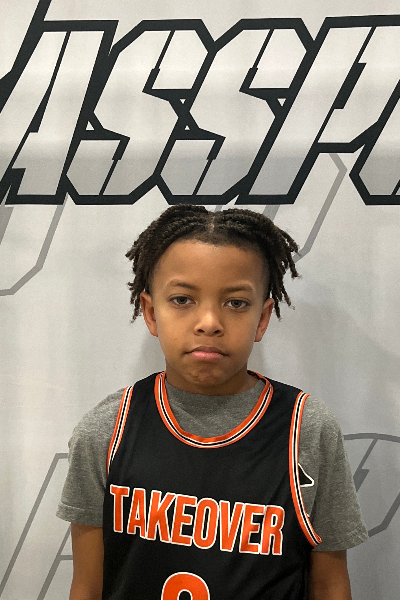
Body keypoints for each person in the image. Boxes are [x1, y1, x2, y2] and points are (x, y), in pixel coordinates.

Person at [57, 204, 368, 600]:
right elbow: (87, 586)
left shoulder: (306, 428)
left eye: (235, 303)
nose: (209, 322)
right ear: (150, 312)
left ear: (262, 318)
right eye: (182, 299)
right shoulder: (105, 431)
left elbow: (330, 584)